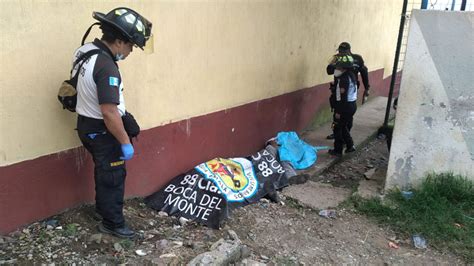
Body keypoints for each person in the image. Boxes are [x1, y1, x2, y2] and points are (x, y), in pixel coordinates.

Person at [72, 7, 152, 238]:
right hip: (102, 129)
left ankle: (102, 210)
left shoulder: (85, 50)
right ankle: (113, 223)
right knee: (114, 176)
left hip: (85, 124)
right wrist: (125, 142)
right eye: (130, 46)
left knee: (104, 169)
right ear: (119, 41)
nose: (130, 52)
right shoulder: (107, 66)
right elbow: (108, 112)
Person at [326, 42, 370, 139]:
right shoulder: (338, 58)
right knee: (337, 113)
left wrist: (367, 87)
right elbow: (329, 71)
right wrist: (334, 63)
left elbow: (364, 73)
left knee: (347, 115)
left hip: (349, 91)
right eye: (340, 51)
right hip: (338, 89)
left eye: (344, 51)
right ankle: (337, 133)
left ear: (349, 50)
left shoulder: (357, 59)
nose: (342, 53)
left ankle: (345, 137)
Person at [327, 54, 358, 157]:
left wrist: (338, 112)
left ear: (344, 68)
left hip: (344, 107)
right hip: (352, 105)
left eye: (339, 67)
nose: (337, 68)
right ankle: (350, 145)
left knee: (337, 127)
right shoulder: (351, 75)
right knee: (343, 126)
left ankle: (338, 150)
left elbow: (343, 99)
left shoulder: (344, 80)